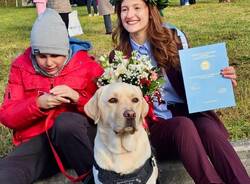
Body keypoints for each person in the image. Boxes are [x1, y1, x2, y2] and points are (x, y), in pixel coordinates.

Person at [110, 0, 250, 183]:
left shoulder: (173, 37)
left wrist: (219, 79)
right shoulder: (119, 56)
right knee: (182, 126)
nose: (130, 15)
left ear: (150, 10)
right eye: (124, 9)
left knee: (210, 130)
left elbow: (196, 75)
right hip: (154, 126)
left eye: (137, 8)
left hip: (188, 110)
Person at [0, 8, 103, 184]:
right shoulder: (20, 67)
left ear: (66, 49)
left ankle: (95, 179)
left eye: (55, 55)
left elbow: (106, 110)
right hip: (41, 142)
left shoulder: (88, 66)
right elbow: (7, 115)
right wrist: (37, 104)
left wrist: (78, 98)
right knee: (6, 173)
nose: (48, 63)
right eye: (41, 55)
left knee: (65, 123)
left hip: (80, 137)